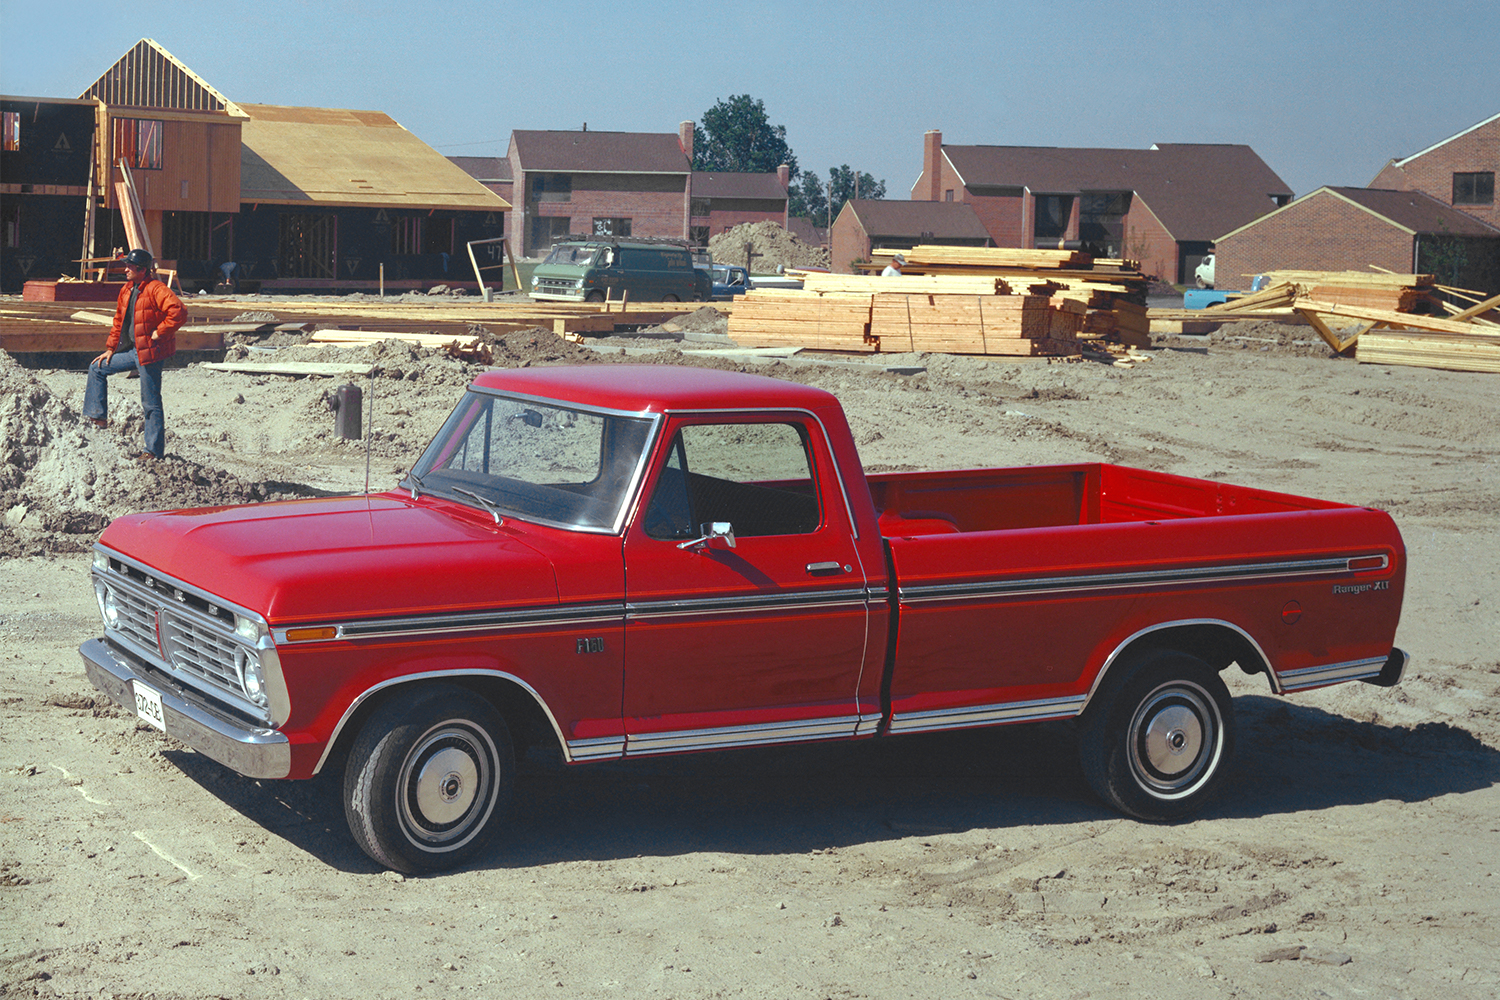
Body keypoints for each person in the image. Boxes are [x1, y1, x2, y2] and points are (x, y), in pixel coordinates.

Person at [85, 248, 186, 460]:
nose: (125, 270)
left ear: (141, 270)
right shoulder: (127, 289)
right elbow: (119, 322)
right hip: (132, 351)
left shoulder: (156, 289)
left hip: (151, 353)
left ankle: (153, 451)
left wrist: (161, 331)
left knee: (150, 403)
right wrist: (111, 348)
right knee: (96, 368)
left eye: (130, 267)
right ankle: (98, 418)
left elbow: (179, 311)